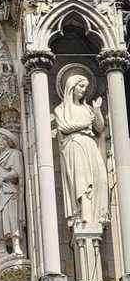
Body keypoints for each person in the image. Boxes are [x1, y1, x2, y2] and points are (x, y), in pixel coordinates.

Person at [54, 73, 109, 231]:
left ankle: (98, 214)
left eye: (85, 87)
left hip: (90, 144)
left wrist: (97, 110)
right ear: (71, 87)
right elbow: (64, 127)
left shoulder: (87, 108)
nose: (84, 90)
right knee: (82, 183)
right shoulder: (61, 109)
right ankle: (85, 217)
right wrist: (85, 123)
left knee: (101, 178)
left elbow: (99, 127)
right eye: (81, 86)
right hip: (75, 145)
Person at [0, 127, 24, 256]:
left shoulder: (14, 154)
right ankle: (1, 250)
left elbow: (17, 172)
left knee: (10, 217)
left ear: (7, 140)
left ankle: (16, 246)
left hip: (8, 191)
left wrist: (4, 178)